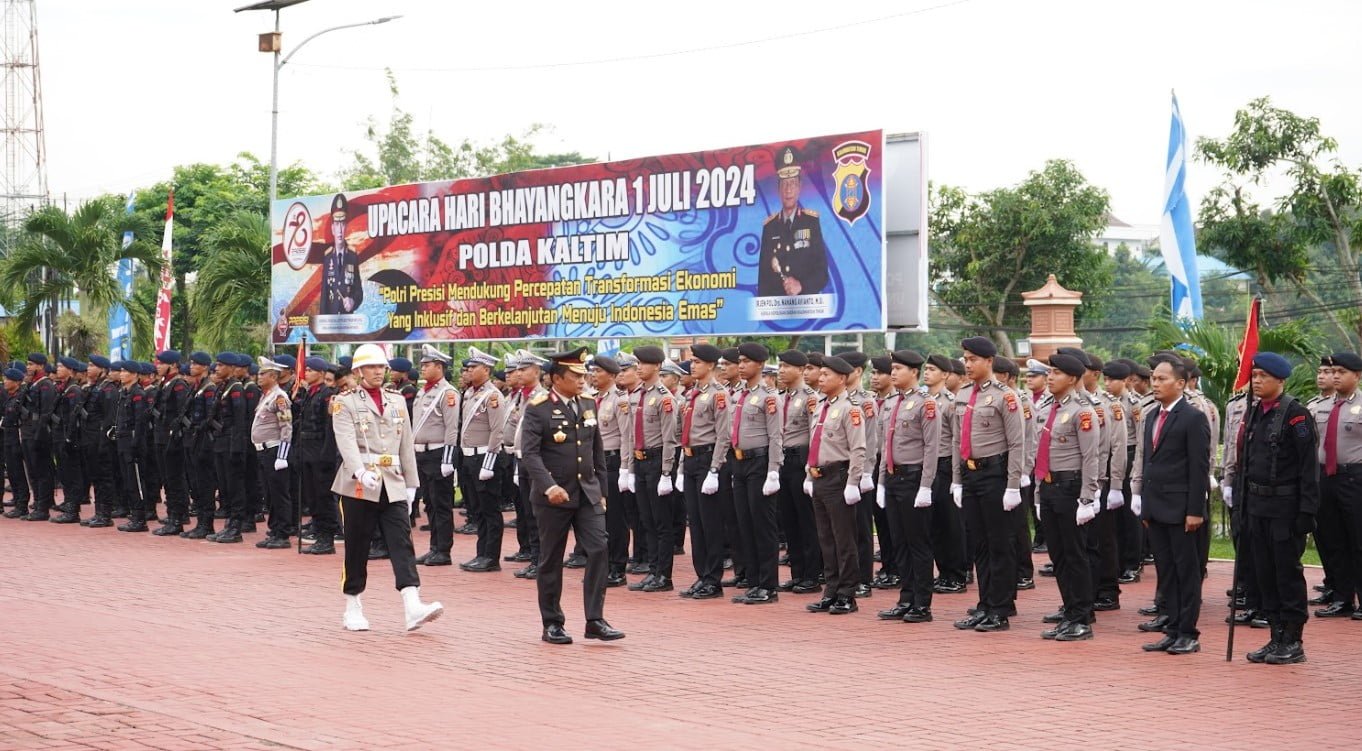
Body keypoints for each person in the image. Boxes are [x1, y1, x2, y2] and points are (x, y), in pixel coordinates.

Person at [332, 343, 441, 632]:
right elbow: (345, 441)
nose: (378, 371)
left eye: (381, 367)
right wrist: (358, 470)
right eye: (371, 367)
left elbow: (406, 445)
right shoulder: (345, 402)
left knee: (401, 542)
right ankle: (352, 604)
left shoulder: (396, 401)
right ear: (358, 371)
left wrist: (412, 483)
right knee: (357, 545)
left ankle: (412, 604)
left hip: (392, 481)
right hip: (358, 484)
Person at [519, 347, 624, 645]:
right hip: (554, 496)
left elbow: (596, 452)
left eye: (584, 375)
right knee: (551, 558)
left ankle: (595, 619)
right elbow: (530, 453)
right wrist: (548, 485)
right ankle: (552, 623)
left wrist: (601, 492)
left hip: (587, 493)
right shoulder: (538, 407)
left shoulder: (588, 403)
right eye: (575, 376)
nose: (582, 380)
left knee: (599, 549)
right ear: (556, 378)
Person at [1235, 352, 1320, 664]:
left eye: (1263, 377)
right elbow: (1247, 463)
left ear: (1280, 380)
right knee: (1264, 575)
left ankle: (1293, 639)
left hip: (1285, 509)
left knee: (1286, 574)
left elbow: (1308, 467)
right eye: (1254, 376)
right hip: (1257, 506)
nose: (1256, 381)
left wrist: (1307, 512)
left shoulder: (1296, 415)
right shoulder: (1255, 411)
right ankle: (1275, 636)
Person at [1134, 357, 1210, 655]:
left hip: (1181, 509)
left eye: (1162, 379)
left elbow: (1198, 467)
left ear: (1180, 383)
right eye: (1153, 378)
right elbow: (1148, 463)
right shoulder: (1152, 415)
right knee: (1166, 572)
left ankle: (1188, 632)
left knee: (1186, 572)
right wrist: (1144, 504)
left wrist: (1195, 510)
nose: (1155, 383)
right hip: (1156, 507)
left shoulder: (1193, 417)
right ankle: (1172, 628)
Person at [951, 337, 1025, 633]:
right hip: (970, 476)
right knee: (979, 544)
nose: (967, 364)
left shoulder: (1005, 396)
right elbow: (957, 440)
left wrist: (1013, 485)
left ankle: (1000, 608)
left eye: (973, 359)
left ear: (989, 362)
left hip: (995, 475)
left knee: (1000, 544)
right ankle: (985, 605)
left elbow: (1017, 442)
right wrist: (957, 481)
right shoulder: (963, 394)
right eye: (965, 359)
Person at [1032, 353, 1101, 641]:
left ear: (1072, 379)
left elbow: (1091, 456)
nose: (1050, 377)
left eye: (1056, 373)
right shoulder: (1049, 408)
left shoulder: (1081, 410)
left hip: (1070, 488)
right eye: (1049, 372)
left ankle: (1081, 618)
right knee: (1058, 555)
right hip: (1048, 488)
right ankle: (1069, 611)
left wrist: (1088, 497)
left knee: (1074, 555)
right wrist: (1037, 493)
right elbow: (1039, 453)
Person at [712, 341, 784, 604]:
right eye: (739, 361)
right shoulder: (736, 395)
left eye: (746, 362)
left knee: (762, 526)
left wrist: (774, 471)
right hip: (738, 462)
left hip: (760, 463)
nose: (741, 366)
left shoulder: (769, 396)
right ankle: (753, 581)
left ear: (760, 365)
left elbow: (777, 436)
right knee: (744, 524)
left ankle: (768, 585)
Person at [875, 349, 940, 624]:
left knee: (918, 543)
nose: (893, 373)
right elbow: (884, 446)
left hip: (914, 479)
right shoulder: (891, 403)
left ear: (914, 372)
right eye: (892, 368)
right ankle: (906, 597)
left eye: (899, 368)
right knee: (899, 542)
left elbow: (931, 448)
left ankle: (921, 604)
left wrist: (926, 485)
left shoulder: (926, 404)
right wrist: (880, 482)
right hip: (892, 477)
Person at [804, 355, 866, 615]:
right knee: (825, 539)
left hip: (838, 477)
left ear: (841, 378)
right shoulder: (820, 405)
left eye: (826, 375)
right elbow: (814, 443)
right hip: (819, 477)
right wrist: (808, 475)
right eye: (821, 374)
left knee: (843, 540)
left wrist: (853, 482)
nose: (821, 378)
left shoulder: (850, 409)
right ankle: (830, 590)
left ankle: (847, 594)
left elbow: (859, 449)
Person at [620, 345, 679, 592]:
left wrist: (667, 472)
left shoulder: (665, 397)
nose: (638, 368)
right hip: (640, 461)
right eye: (637, 364)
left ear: (656, 366)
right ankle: (652, 570)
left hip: (657, 462)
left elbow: (670, 439)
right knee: (646, 520)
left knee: (661, 521)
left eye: (643, 364)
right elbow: (630, 435)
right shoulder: (636, 396)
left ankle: (663, 575)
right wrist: (629, 468)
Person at [1311, 353, 1360, 619]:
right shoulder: (1322, 405)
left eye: (1342, 371)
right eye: (1334, 371)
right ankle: (1342, 598)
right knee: (1333, 539)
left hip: (1355, 478)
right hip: (1325, 477)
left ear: (1357, 375)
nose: (1336, 376)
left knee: (1358, 539)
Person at [678, 344, 728, 600]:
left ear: (710, 365)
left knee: (710, 524)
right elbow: (683, 435)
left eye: (697, 362)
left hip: (707, 458)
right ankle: (702, 575)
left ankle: (713, 579)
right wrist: (678, 468)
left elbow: (723, 435)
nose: (692, 365)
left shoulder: (718, 395)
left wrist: (715, 469)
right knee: (695, 523)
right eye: (692, 361)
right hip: (690, 460)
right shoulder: (691, 394)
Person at [457, 346, 509, 573]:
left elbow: (497, 431)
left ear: (486, 369)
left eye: (473, 367)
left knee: (490, 509)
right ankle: (481, 553)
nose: (468, 370)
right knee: (477, 509)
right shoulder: (470, 393)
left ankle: (491, 556)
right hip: (470, 457)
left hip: (485, 458)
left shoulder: (493, 396)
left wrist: (488, 463)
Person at [775, 349, 822, 595]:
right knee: (789, 520)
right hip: (782, 460)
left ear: (801, 370)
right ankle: (797, 573)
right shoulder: (780, 396)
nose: (781, 370)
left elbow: (815, 434)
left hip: (800, 459)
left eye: (786, 366)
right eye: (780, 366)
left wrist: (809, 470)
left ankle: (811, 576)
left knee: (806, 521)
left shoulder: (810, 397)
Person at [409, 345, 459, 567]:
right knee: (429, 502)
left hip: (438, 453)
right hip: (422, 454)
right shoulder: (424, 391)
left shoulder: (447, 393)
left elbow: (451, 429)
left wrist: (448, 459)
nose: (422, 369)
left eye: (427, 365)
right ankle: (433, 547)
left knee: (441, 504)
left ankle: (443, 550)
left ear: (439, 367)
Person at [757, 146, 829, 298]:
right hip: (778, 311)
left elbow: (822, 273)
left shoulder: (811, 222)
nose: (788, 190)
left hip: (807, 308)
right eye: (784, 184)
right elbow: (763, 280)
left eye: (793, 183)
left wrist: (801, 285)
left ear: (799, 187)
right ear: (778, 189)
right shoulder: (769, 227)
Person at [250, 358, 295, 549]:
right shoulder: (266, 395)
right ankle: (274, 530)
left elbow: (286, 427)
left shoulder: (279, 397)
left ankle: (283, 533)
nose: (259, 377)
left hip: (275, 450)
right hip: (264, 450)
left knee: (279, 494)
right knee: (270, 494)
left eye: (263, 374)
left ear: (273, 376)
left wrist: (282, 456)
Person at [153, 351, 191, 535]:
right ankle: (173, 515)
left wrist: (173, 434)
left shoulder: (179, 385)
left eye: (162, 363)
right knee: (167, 479)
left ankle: (177, 518)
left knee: (174, 478)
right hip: (161, 437)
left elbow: (181, 412)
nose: (157, 366)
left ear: (173, 366)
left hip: (172, 439)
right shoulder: (165, 383)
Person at [181, 353, 220, 539]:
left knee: (205, 484)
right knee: (196, 483)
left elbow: (209, 415)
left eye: (196, 364)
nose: (191, 366)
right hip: (193, 439)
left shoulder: (209, 388)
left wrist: (199, 429)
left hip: (204, 441)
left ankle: (207, 524)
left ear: (205, 367)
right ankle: (201, 523)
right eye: (191, 363)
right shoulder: (196, 386)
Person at [20, 353, 57, 521]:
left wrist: (38, 434)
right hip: (28, 431)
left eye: (31, 364)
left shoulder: (46, 385)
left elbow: (46, 412)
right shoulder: (31, 384)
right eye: (27, 364)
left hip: (39, 433)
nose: (28, 367)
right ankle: (38, 502)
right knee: (33, 471)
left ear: (41, 366)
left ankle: (43, 507)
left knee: (42, 471)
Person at [1, 368, 28, 519]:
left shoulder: (20, 397)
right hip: (8, 439)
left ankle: (22, 504)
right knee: (12, 472)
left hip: (17, 439)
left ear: (17, 382)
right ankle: (18, 502)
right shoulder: (10, 398)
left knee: (18, 473)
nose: (5, 381)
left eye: (8, 379)